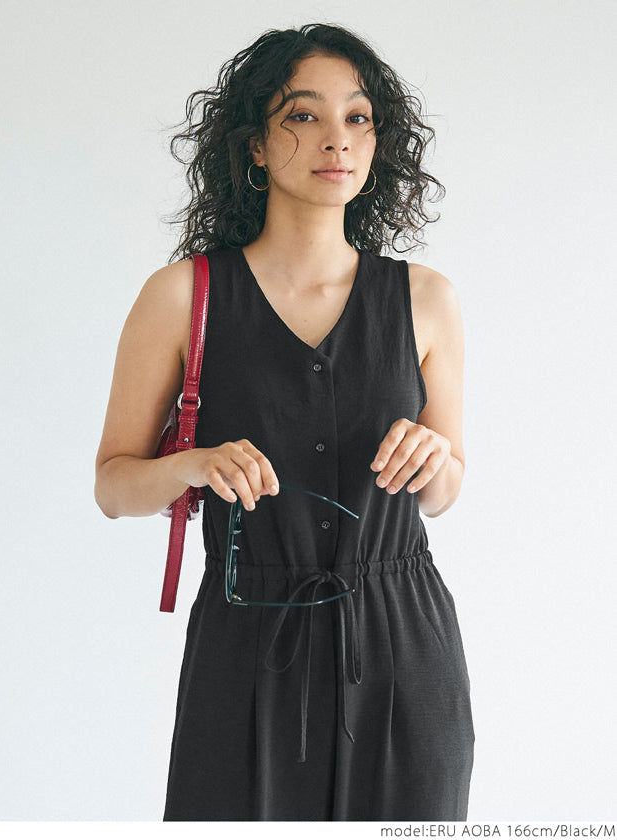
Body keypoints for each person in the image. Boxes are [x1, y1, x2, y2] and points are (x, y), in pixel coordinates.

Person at [94, 23, 475, 821]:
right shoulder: (182, 296)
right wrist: (191, 464)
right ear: (255, 146)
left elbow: (443, 494)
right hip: (248, 641)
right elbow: (114, 487)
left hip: (404, 643)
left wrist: (434, 454)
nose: (337, 139)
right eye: (303, 115)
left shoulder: (426, 298)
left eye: (358, 117)